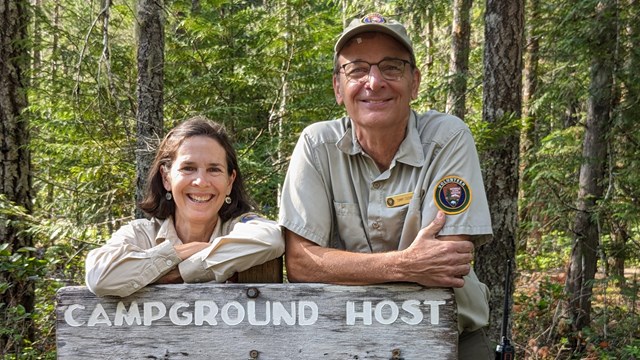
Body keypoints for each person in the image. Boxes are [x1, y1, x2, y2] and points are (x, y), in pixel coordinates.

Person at [278, 13, 493, 359]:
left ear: (415, 82)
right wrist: (406, 265)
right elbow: (301, 263)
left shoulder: (448, 138)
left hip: (450, 337)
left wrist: (337, 266)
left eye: (391, 67)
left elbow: (447, 262)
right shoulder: (317, 145)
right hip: (345, 341)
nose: (374, 81)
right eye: (357, 69)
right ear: (337, 87)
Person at [86, 116, 284, 297]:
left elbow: (271, 239)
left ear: (230, 181)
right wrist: (179, 252)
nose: (201, 181)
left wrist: (180, 272)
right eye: (188, 168)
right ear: (166, 177)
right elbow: (99, 276)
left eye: (214, 169)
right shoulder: (141, 234)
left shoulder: (240, 228)